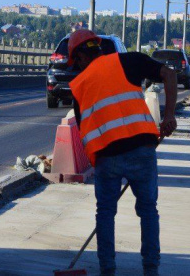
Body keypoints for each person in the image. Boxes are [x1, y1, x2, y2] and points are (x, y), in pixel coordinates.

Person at [67, 29, 178, 276]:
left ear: (83, 57)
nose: (76, 68)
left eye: (76, 62)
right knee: (148, 209)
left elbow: (85, 132)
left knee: (105, 213)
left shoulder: (79, 86)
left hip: (108, 158)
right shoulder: (129, 60)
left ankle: (107, 269)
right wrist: (169, 115)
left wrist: (99, 163)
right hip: (142, 150)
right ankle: (151, 269)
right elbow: (169, 75)